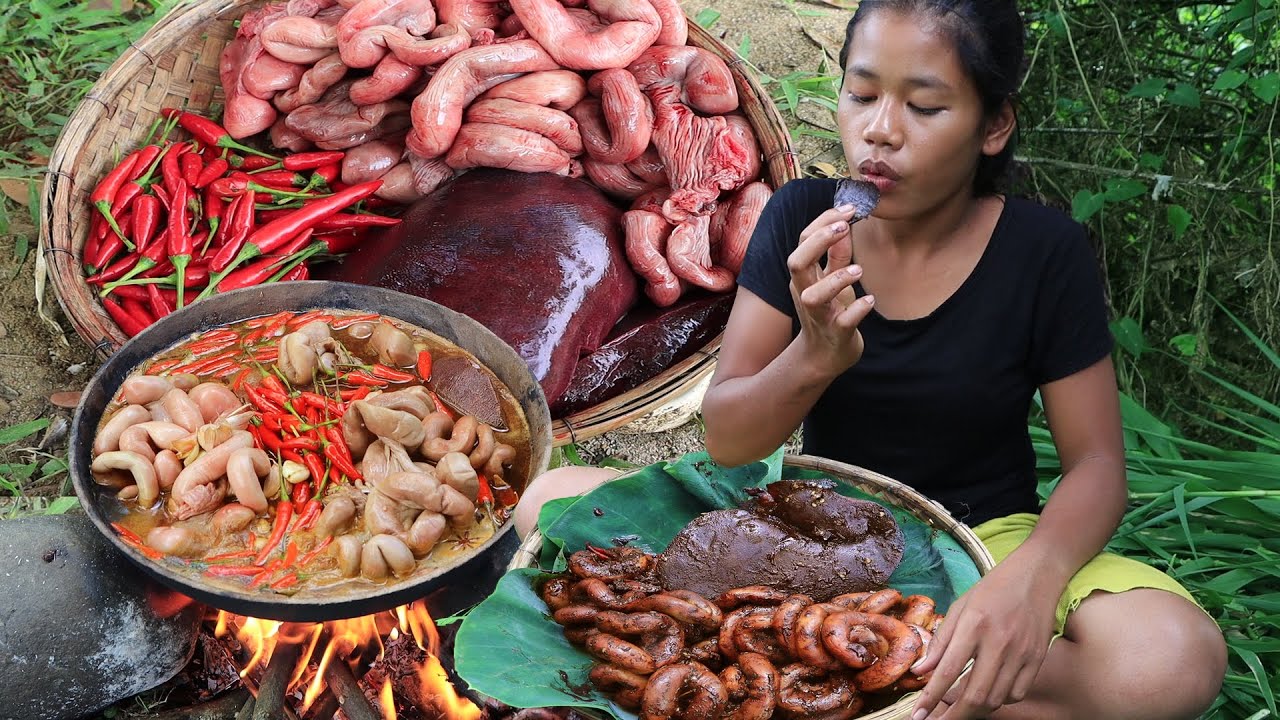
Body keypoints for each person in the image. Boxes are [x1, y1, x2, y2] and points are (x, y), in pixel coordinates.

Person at [516, 1, 1228, 718]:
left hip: (989, 537)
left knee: (1169, 660)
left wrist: (1033, 580)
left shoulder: (1044, 250)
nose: (879, 130)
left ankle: (880, 661)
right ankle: (906, 673)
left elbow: (1099, 465)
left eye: (923, 105)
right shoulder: (798, 216)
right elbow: (732, 441)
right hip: (801, 536)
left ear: (993, 125)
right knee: (543, 500)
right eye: (861, 95)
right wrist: (817, 355)